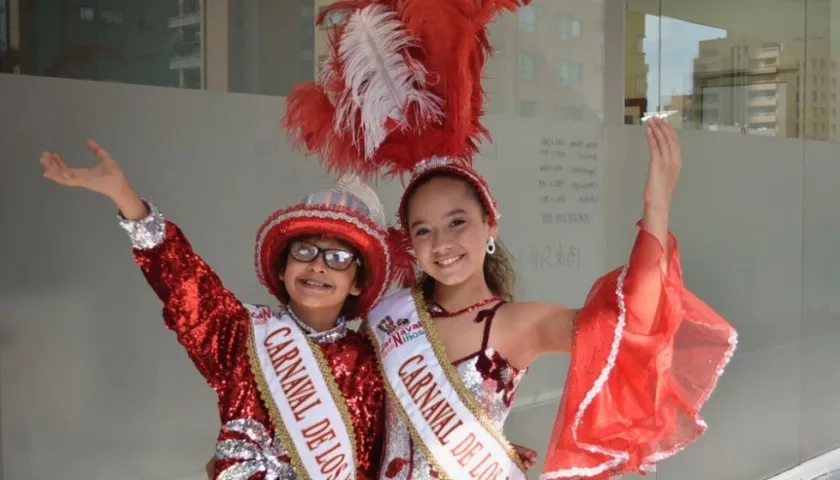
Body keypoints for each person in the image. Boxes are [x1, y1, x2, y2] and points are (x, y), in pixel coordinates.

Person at [281, 1, 738, 479]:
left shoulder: (519, 324)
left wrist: (657, 206)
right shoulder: (387, 318)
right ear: (409, 243)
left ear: (489, 225)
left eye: (457, 222)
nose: (442, 243)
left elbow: (630, 326)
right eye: (423, 230)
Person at [39, 141, 393, 479]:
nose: (317, 266)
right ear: (282, 268)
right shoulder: (241, 333)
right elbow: (184, 282)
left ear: (357, 282)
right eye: (305, 251)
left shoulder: (372, 360)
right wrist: (125, 197)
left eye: (338, 258)